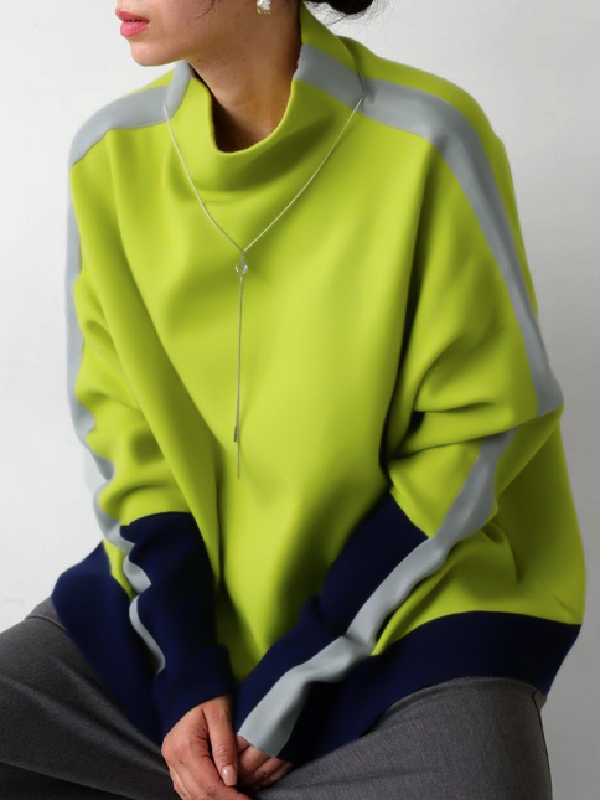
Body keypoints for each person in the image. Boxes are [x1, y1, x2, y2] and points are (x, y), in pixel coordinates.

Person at [0, 0, 585, 798]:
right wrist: (186, 672)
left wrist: (301, 672)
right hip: (176, 622)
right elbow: (126, 440)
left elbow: (480, 432)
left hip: (409, 616)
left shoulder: (428, 138)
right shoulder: (108, 157)